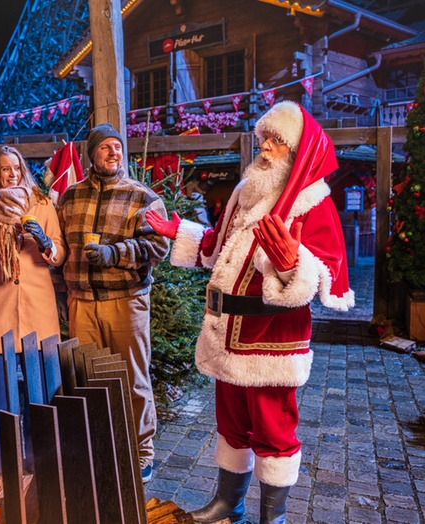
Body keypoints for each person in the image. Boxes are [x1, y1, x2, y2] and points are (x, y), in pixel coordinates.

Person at [146, 101, 354, 524]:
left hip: (272, 339)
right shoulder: (247, 192)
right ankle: (229, 504)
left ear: (296, 151)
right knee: (232, 423)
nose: (266, 149)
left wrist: (293, 263)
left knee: (274, 431)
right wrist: (182, 232)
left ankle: (271, 518)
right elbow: (221, 248)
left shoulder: (312, 202)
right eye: (264, 139)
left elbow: (325, 272)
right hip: (227, 333)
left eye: (277, 142)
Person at [57, 122, 170, 483]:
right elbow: (59, 247)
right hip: (82, 302)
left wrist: (114, 253)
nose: (113, 153)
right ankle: (99, 445)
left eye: (117, 147)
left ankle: (142, 452)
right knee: (88, 378)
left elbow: (158, 247)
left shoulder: (143, 197)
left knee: (133, 378)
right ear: (92, 154)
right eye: (105, 147)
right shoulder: (70, 196)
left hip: (126, 301)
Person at [0, 146, 67, 353]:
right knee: (1, 380)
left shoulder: (42, 204)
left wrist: (45, 241)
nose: (13, 174)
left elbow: (60, 255)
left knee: (41, 379)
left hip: (38, 305)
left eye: (17, 168)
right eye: (5, 169)